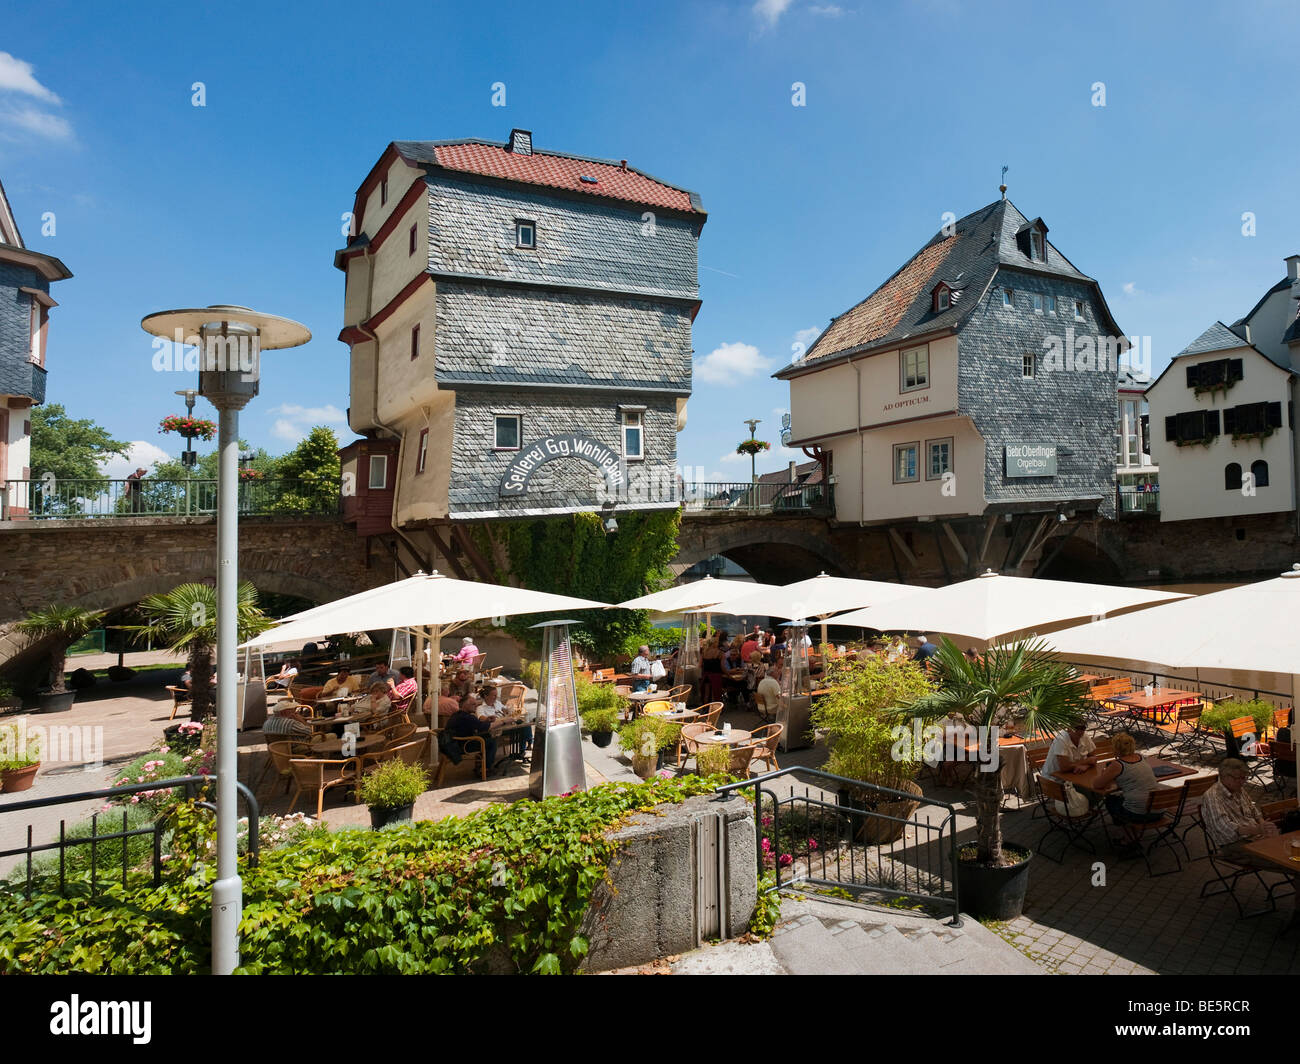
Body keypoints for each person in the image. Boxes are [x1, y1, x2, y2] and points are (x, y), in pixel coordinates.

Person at [1092, 733, 1164, 844]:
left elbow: (1097, 785)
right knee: (1124, 798)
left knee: (1110, 800)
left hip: (1139, 815)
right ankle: (1132, 834)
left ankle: (1129, 838)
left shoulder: (1118, 764)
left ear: (1115, 748)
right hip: (1158, 811)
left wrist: (1103, 774)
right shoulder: (1141, 757)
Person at [1201, 759, 1279, 861]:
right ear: (1226, 777)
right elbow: (1225, 829)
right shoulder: (1212, 796)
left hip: (1253, 835)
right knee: (1281, 858)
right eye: (1240, 778)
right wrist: (1257, 830)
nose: (1243, 782)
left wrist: (1264, 826)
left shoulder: (1238, 788)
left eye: (1244, 778)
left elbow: (1254, 811)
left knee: (1287, 849)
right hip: (1234, 844)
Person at [447, 694, 498, 771]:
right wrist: (503, 721)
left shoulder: (457, 714)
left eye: (476, 704)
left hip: (453, 744)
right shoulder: (468, 717)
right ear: (465, 705)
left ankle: (481, 765)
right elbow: (486, 727)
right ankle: (486, 768)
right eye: (473, 704)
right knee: (491, 741)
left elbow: (479, 725)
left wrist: (487, 720)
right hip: (462, 746)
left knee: (486, 736)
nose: (476, 706)